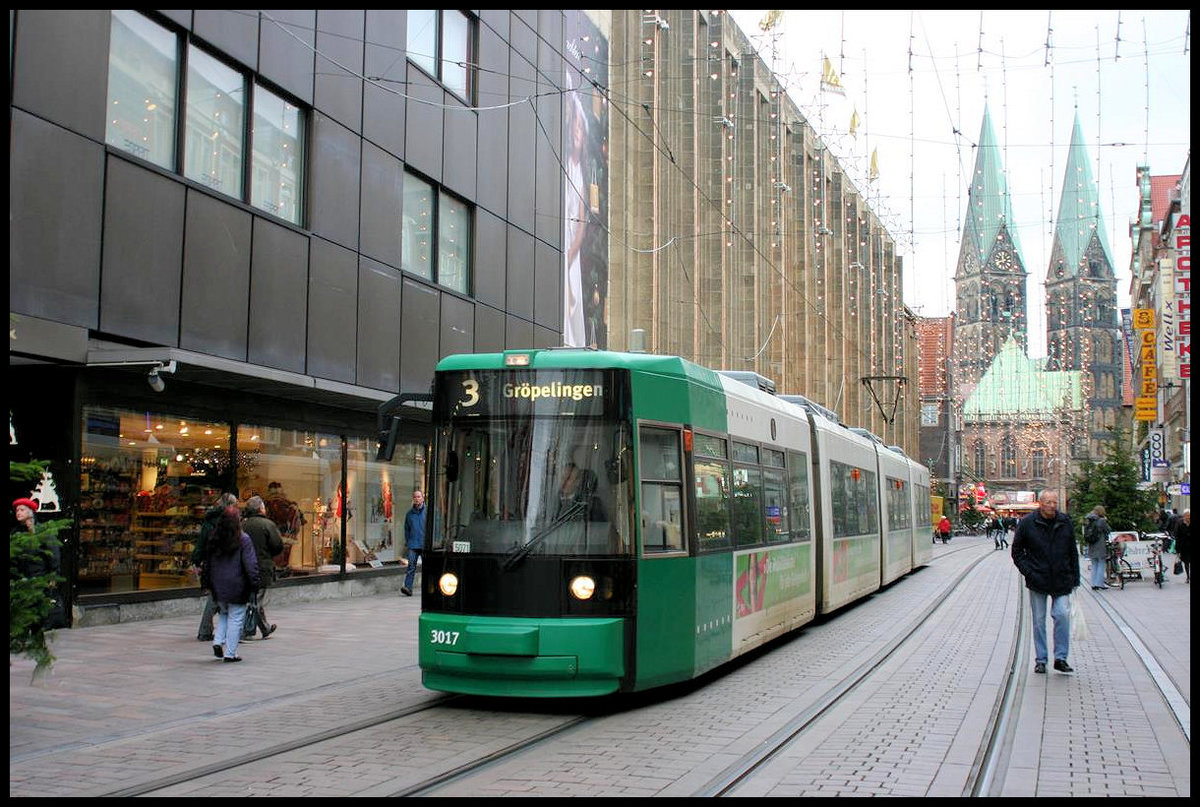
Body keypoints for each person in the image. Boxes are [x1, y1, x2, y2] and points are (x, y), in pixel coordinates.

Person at [1011, 490, 1079, 674]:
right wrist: (1029, 572)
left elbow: (1073, 550)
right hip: (1038, 579)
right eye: (1048, 502)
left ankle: (1061, 658)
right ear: (1040, 503)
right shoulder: (1027, 523)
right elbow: (1017, 551)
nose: (1052, 505)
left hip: (1062, 578)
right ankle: (1041, 659)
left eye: (1054, 502)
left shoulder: (1065, 522)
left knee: (1062, 615)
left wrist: (1075, 578)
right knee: (1039, 621)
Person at [202, 505, 260, 662]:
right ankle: (231, 652)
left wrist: (207, 582)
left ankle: (218, 641)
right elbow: (250, 564)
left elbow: (208, 562)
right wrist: (254, 583)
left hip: (218, 584)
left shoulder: (214, 537)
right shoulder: (243, 539)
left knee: (224, 614)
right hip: (237, 584)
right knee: (235, 617)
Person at [12, 497, 66, 629]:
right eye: (17, 510)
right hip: (22, 579)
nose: (18, 512)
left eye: (22, 510)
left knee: (40, 613)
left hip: (40, 579)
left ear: (31, 512)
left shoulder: (43, 532)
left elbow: (54, 556)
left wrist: (53, 577)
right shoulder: (16, 533)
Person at [192, 492, 239, 642]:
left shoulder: (209, 521)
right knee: (218, 599)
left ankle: (208, 630)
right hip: (226, 562)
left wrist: (196, 560)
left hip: (211, 563)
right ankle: (209, 630)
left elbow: (201, 543)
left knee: (215, 596)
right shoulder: (231, 521)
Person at [241, 495, 283, 638]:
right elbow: (277, 545)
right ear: (260, 509)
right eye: (264, 506)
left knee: (253, 598)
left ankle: (264, 628)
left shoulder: (243, 524)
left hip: (244, 566)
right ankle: (247, 629)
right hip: (262, 565)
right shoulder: (267, 525)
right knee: (256, 600)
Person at [401, 489, 425, 597]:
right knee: (411, 566)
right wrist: (408, 541)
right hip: (413, 544)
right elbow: (406, 529)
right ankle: (408, 588)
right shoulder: (409, 514)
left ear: (423, 498)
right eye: (415, 497)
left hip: (425, 544)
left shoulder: (429, 512)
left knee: (428, 567)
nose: (416, 499)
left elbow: (436, 526)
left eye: (418, 497)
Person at [1082, 504, 1111, 590]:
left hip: (1091, 544)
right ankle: (1099, 584)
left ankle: (1093, 583)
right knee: (1101, 563)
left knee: (1094, 564)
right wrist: (1106, 521)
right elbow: (1108, 530)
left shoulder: (1089, 519)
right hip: (1100, 544)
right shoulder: (1101, 520)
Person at [1172, 508, 1190, 583]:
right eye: (1187, 515)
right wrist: (1177, 549)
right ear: (1184, 516)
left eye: (1189, 515)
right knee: (1186, 562)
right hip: (1184, 546)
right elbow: (1177, 535)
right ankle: (1188, 577)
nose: (1188, 517)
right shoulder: (1179, 523)